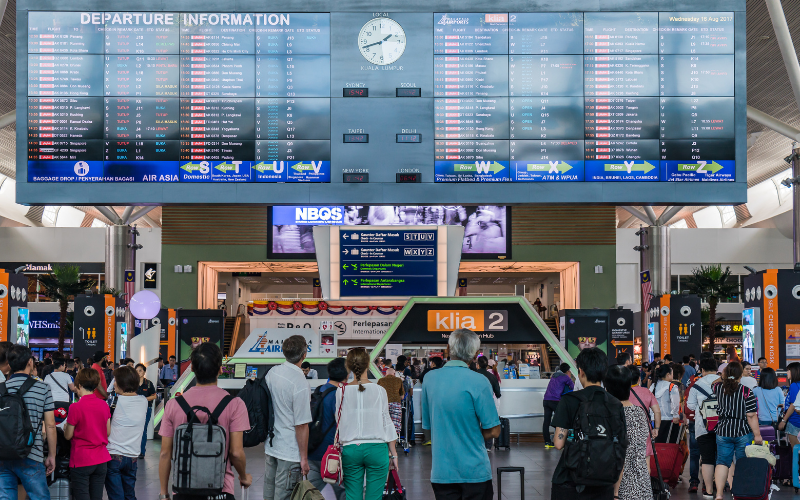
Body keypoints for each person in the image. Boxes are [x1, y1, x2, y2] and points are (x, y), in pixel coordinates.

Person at [159, 342, 251, 500]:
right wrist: (243, 477)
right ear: (220, 369)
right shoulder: (235, 404)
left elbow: (165, 453)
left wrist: (163, 493)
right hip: (220, 490)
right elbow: (236, 453)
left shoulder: (173, 405)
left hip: (183, 490)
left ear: (192, 369)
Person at [421, 330, 500, 500]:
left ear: (448, 348)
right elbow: (494, 431)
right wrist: (472, 434)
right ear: (474, 355)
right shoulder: (479, 381)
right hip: (475, 471)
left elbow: (427, 426)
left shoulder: (429, 379)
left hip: (442, 472)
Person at [551, 347, 625, 500]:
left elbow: (558, 443)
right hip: (604, 482)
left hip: (570, 480)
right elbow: (621, 446)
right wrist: (616, 493)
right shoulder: (615, 403)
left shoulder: (569, 400)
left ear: (581, 372)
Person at [337, 348, 400, 500]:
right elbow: (387, 422)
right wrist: (393, 454)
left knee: (352, 497)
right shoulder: (379, 390)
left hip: (350, 449)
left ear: (349, 366)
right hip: (377, 449)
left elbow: (339, 422)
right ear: (368, 365)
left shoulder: (341, 391)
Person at [0, 345, 57, 500]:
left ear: (9, 365)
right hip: (32, 454)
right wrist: (51, 455)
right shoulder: (43, 388)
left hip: (3, 455)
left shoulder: (1, 389)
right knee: (39, 497)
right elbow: (51, 425)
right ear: (30, 363)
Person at [264, 335, 312, 500]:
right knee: (285, 496)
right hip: (290, 452)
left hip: (272, 445)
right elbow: (301, 425)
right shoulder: (300, 382)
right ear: (304, 354)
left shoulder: (272, 372)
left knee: (269, 495)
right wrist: (304, 459)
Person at [713, 362, 762, 500]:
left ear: (725, 373)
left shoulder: (717, 388)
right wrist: (757, 434)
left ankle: (719, 494)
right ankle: (739, 493)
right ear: (741, 374)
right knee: (742, 462)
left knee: (722, 462)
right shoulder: (746, 391)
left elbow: (716, 381)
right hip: (743, 431)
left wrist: (724, 376)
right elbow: (751, 415)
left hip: (723, 429)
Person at [65, 367, 112, 500]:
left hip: (82, 459)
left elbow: (68, 435)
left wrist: (66, 428)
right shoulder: (104, 405)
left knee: (82, 496)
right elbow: (107, 432)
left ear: (79, 385)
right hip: (101, 459)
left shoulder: (75, 407)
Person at [605, 365, 650, 500]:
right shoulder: (639, 412)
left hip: (621, 486)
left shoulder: (612, 414)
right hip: (642, 483)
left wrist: (616, 494)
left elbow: (620, 456)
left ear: (607, 388)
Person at [306, 358, 347, 500]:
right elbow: (344, 425)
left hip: (313, 451)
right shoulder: (340, 395)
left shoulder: (319, 390)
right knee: (344, 492)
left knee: (308, 495)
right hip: (332, 456)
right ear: (346, 375)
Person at [105, 366, 147, 500]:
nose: (114, 383)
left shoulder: (113, 401)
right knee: (129, 495)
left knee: (116, 496)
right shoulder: (144, 401)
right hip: (133, 456)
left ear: (122, 382)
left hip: (113, 455)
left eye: (116, 380)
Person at [687, 357, 721, 500]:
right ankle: (720, 489)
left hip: (703, 426)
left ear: (702, 370)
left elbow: (690, 406)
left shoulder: (696, 385)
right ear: (717, 368)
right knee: (722, 458)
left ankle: (708, 491)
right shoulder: (724, 383)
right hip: (723, 427)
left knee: (707, 459)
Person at [628, 366, 660, 471]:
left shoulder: (621, 393)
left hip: (627, 429)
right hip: (644, 429)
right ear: (639, 379)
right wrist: (656, 428)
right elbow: (657, 411)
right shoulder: (646, 392)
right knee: (646, 460)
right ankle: (645, 486)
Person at [542, 362, 574, 448]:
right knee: (560, 421)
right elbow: (573, 386)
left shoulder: (554, 375)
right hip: (555, 401)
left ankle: (547, 443)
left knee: (546, 422)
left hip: (546, 400)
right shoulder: (565, 377)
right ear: (567, 371)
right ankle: (559, 442)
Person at [650, 364, 681, 443]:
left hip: (654, 420)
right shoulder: (672, 386)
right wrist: (675, 415)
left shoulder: (653, 386)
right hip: (669, 420)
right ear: (668, 374)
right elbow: (675, 403)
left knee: (657, 445)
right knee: (669, 446)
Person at [476, 356, 502, 449]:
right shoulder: (492, 377)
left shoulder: (473, 375)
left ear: (477, 365)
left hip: (473, 403)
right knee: (487, 424)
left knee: (474, 423)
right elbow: (498, 393)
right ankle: (487, 446)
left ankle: (476, 444)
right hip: (487, 403)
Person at [135, 363, 157, 458]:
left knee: (143, 430)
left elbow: (154, 396)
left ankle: (141, 451)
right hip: (134, 409)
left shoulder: (148, 383)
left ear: (144, 372)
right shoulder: (133, 384)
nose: (138, 372)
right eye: (136, 370)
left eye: (140, 370)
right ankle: (134, 449)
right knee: (134, 429)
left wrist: (143, 399)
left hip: (146, 409)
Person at [377, 364, 404, 437]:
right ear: (394, 374)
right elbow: (402, 395)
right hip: (396, 403)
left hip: (384, 404)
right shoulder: (398, 380)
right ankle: (394, 440)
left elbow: (378, 393)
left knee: (384, 423)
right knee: (395, 424)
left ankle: (385, 438)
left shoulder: (381, 380)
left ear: (386, 374)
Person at [778, 362, 800, 447]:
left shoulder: (794, 385)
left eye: (788, 370)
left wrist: (783, 420)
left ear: (794, 371)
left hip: (794, 421)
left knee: (795, 449)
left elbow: (793, 405)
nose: (787, 373)